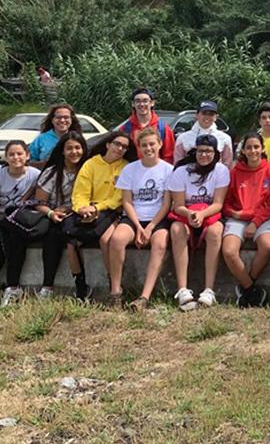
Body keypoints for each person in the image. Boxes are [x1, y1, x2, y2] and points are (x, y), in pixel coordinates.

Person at [56, 131, 134, 303]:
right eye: (117, 144)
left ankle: (113, 285)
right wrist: (82, 208)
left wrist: (97, 208)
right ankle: (81, 286)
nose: (120, 149)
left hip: (112, 211)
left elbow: (118, 198)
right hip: (87, 211)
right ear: (108, 144)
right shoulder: (91, 164)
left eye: (124, 147)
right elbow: (80, 192)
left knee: (106, 240)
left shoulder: (126, 167)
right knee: (71, 242)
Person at [106, 127, 174, 310]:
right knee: (117, 239)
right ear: (138, 147)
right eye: (144, 145)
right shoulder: (130, 169)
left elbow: (166, 204)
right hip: (134, 217)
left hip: (157, 218)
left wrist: (150, 227)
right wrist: (138, 227)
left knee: (160, 243)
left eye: (152, 144)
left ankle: (144, 297)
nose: (148, 148)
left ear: (160, 144)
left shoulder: (168, 170)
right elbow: (127, 202)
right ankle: (115, 292)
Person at [167, 134, 229, 310]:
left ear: (215, 153)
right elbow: (178, 205)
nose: (204, 155)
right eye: (200, 151)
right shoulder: (181, 172)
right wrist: (190, 214)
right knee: (177, 230)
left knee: (215, 232)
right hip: (185, 214)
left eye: (208, 151)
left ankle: (209, 289)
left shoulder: (221, 171)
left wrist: (202, 214)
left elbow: (218, 203)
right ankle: (182, 289)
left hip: (210, 213)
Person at [222, 132, 270, 308]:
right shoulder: (234, 172)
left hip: (262, 218)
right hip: (238, 217)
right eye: (249, 147)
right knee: (229, 251)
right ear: (243, 150)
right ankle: (251, 289)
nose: (253, 151)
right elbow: (226, 202)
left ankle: (246, 286)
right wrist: (236, 214)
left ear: (262, 148)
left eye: (256, 147)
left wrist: (255, 223)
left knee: (268, 246)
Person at [33, 131, 89, 299]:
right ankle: (47, 287)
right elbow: (39, 203)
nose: (74, 152)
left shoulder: (89, 170)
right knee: (52, 235)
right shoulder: (52, 172)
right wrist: (51, 213)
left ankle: (81, 287)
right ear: (62, 151)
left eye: (78, 148)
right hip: (54, 215)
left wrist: (73, 210)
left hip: (80, 215)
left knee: (71, 237)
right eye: (69, 148)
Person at [0, 140, 41, 305]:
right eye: (11, 154)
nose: (15, 157)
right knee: (2, 229)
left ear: (27, 155)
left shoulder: (35, 175)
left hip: (20, 219)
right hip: (1, 218)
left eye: (19, 153)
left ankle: (11, 287)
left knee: (14, 235)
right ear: (5, 157)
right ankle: (6, 286)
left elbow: (37, 203)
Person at [118, 88, 175, 164]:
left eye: (145, 101)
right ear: (133, 104)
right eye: (137, 101)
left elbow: (169, 157)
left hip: (156, 170)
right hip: (132, 169)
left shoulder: (163, 128)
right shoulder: (125, 129)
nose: (141, 104)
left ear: (152, 103)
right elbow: (119, 155)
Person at [173, 100, 234, 168]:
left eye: (211, 114)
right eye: (204, 113)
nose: (207, 117)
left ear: (216, 117)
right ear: (197, 115)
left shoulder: (225, 138)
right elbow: (177, 164)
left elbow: (227, 165)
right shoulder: (182, 138)